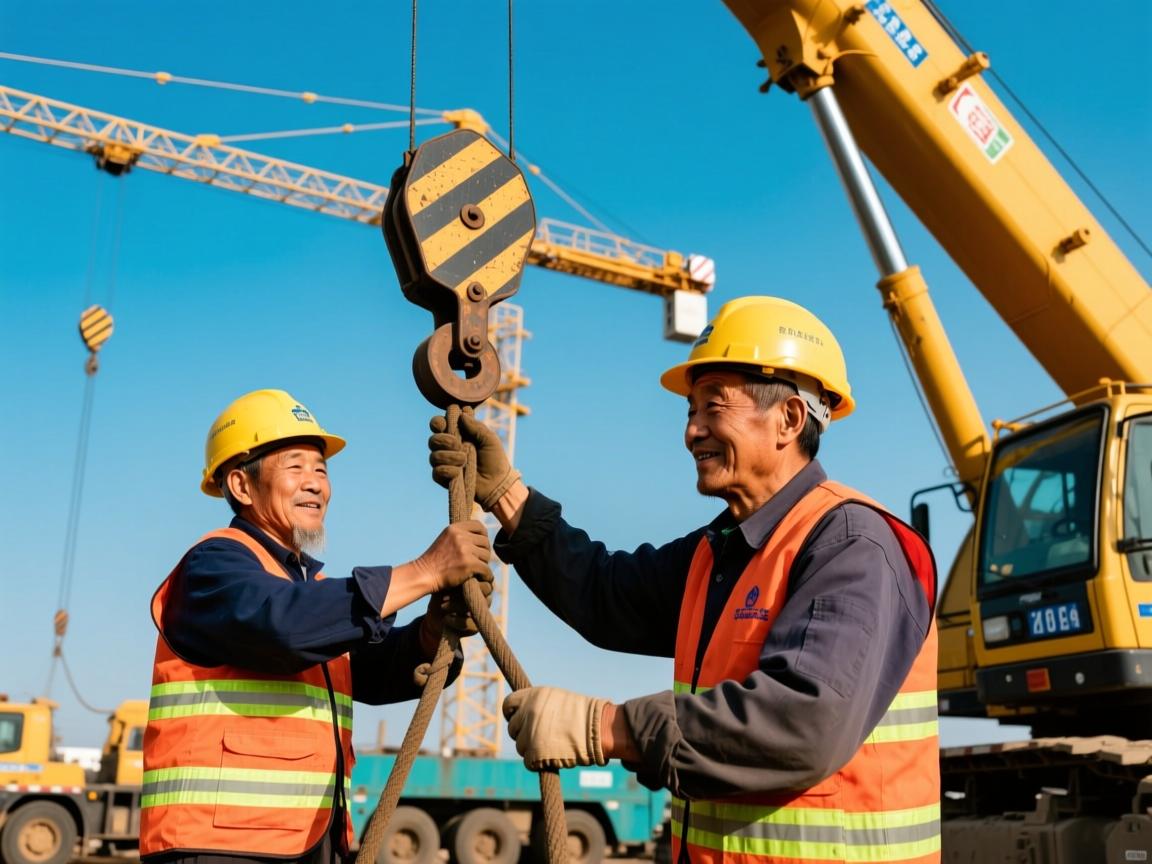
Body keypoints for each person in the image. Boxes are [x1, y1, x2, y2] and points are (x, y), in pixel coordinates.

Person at [430, 297, 941, 864]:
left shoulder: (853, 546)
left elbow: (804, 721)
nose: (692, 431)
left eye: (713, 406)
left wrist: (606, 727)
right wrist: (508, 497)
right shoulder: (721, 550)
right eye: (690, 411)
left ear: (790, 419)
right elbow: (606, 592)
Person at [141, 388, 494, 864]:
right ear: (241, 485)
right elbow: (282, 625)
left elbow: (371, 668)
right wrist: (426, 572)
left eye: (321, 470)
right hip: (220, 845)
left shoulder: (312, 592)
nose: (315, 484)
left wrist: (431, 630)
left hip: (306, 841)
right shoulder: (212, 567)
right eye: (296, 467)